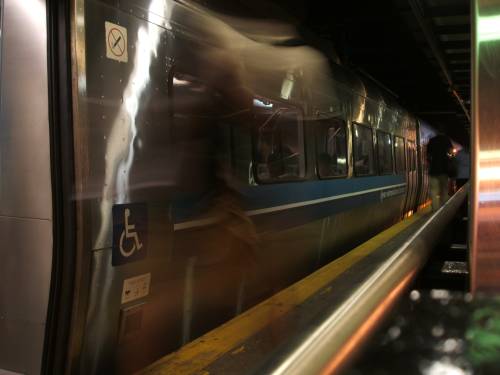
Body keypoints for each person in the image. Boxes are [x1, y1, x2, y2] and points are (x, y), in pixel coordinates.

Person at [427, 131, 453, 211]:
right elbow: (451, 152)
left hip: (433, 170)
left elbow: (428, 155)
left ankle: (435, 209)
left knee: (433, 191)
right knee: (444, 191)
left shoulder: (432, 141)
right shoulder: (446, 140)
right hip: (444, 170)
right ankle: (443, 210)